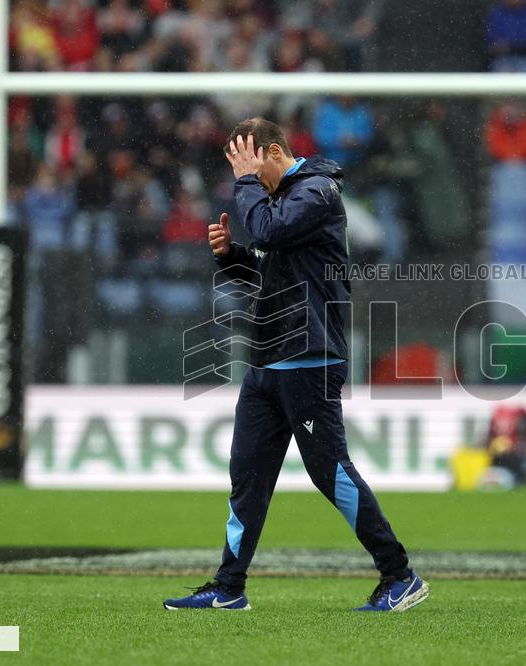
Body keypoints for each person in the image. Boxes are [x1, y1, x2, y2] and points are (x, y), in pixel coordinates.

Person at [164, 117, 428, 613]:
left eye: (247, 164)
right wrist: (232, 258)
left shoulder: (318, 191)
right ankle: (228, 586)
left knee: (331, 474)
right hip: (269, 357)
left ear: (272, 152)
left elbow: (269, 227)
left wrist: (246, 188)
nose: (244, 176)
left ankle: (400, 575)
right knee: (248, 473)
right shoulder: (283, 202)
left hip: (310, 355)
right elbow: (270, 267)